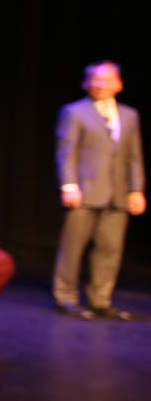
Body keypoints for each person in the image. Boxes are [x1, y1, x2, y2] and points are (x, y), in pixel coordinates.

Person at [51, 61, 145, 320]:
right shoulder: (75, 112)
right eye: (95, 79)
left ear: (119, 84)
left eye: (107, 80)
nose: (101, 84)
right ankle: (66, 297)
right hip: (84, 192)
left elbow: (134, 157)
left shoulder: (129, 115)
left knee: (110, 249)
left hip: (117, 194)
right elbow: (66, 152)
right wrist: (69, 186)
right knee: (72, 248)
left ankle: (101, 299)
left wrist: (136, 190)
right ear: (86, 83)